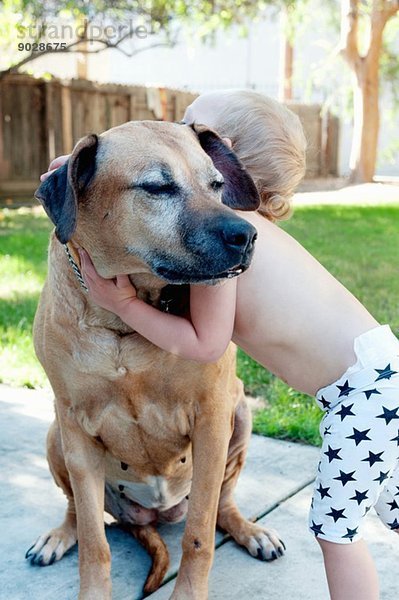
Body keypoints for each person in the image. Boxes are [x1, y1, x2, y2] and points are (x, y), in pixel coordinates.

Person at [42, 90, 399, 600]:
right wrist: (71, 174)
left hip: (362, 401)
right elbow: (107, 169)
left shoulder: (223, 244)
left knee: (336, 532)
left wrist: (123, 305)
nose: (175, 131)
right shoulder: (246, 230)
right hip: (379, 375)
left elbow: (205, 345)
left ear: (224, 161)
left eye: (191, 127)